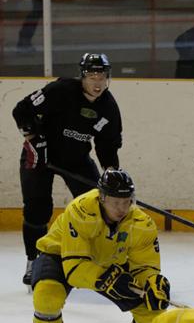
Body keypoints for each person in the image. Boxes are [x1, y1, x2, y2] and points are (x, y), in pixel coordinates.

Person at [31, 169, 169, 323]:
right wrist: (108, 280)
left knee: (151, 310)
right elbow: (75, 268)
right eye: (115, 202)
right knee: (46, 298)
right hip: (61, 254)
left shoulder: (141, 223)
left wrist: (152, 282)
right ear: (101, 197)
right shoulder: (80, 210)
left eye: (127, 202)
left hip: (109, 260)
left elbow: (145, 266)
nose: (121, 209)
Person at [12, 52, 124, 286]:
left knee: (96, 204)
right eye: (92, 76)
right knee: (37, 208)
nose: (97, 82)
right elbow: (21, 110)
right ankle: (34, 260)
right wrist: (33, 137)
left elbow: (108, 144)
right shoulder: (61, 91)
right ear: (82, 76)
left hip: (76, 159)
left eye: (102, 76)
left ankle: (97, 257)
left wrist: (111, 174)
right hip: (41, 153)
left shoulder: (108, 107)